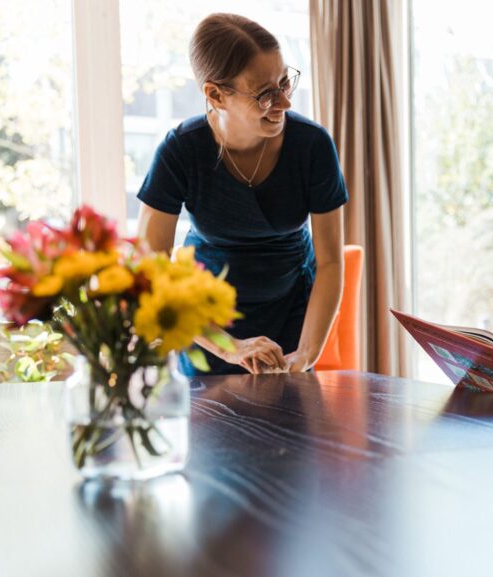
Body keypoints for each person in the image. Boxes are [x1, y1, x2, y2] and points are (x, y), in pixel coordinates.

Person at [137, 13, 347, 376]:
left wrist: (306, 354)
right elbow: (149, 270)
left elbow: (330, 262)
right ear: (216, 94)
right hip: (206, 325)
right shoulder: (180, 151)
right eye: (266, 93)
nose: (284, 102)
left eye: (285, 82)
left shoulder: (313, 145)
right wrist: (228, 347)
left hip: (293, 313)